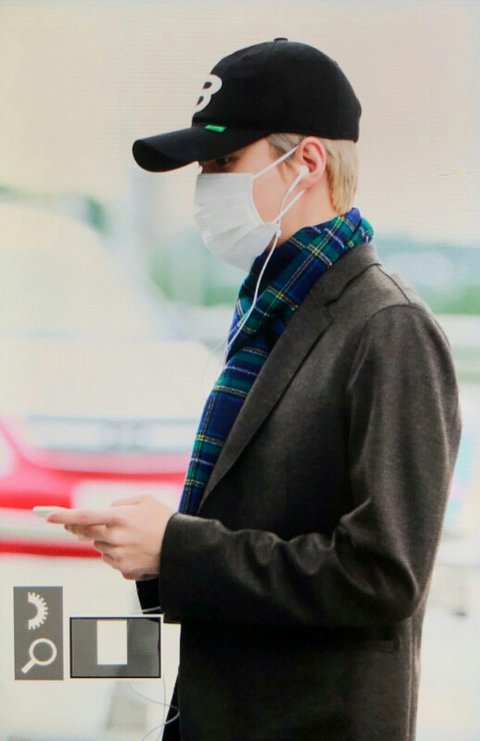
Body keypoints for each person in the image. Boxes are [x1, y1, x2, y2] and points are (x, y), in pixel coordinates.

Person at [49, 39, 461, 740]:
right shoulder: (272, 310)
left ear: (308, 161)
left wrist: (178, 549)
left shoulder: (388, 327)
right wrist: (152, 551)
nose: (205, 187)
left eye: (223, 163)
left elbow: (382, 575)